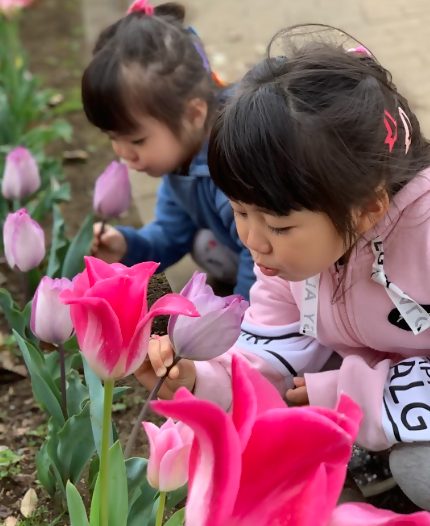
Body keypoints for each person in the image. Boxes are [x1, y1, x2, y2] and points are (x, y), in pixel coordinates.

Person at [136, 26, 430, 509]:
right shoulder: (292, 261)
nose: (251, 241)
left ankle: (379, 448)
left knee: (418, 469)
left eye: (277, 225)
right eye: (239, 210)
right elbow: (267, 355)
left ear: (366, 210)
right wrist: (196, 378)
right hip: (390, 380)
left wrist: (344, 395)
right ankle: (373, 445)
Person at [81, 0, 255, 299]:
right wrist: (127, 245)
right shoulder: (181, 162)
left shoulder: (236, 169)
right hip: (248, 247)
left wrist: (242, 326)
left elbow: (262, 258)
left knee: (241, 249)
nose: (123, 152)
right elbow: (171, 234)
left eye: (137, 141)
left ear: (193, 114)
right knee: (203, 244)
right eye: (113, 137)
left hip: (301, 256)